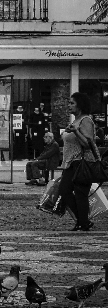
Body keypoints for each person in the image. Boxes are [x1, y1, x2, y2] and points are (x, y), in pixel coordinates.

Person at [54, 92, 99, 231]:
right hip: (70, 163)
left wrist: (75, 132)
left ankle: (83, 223)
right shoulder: (75, 121)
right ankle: (83, 221)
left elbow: (87, 142)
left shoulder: (85, 120)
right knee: (65, 191)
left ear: (80, 105)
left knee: (80, 194)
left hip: (81, 163)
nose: (69, 106)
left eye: (72, 103)